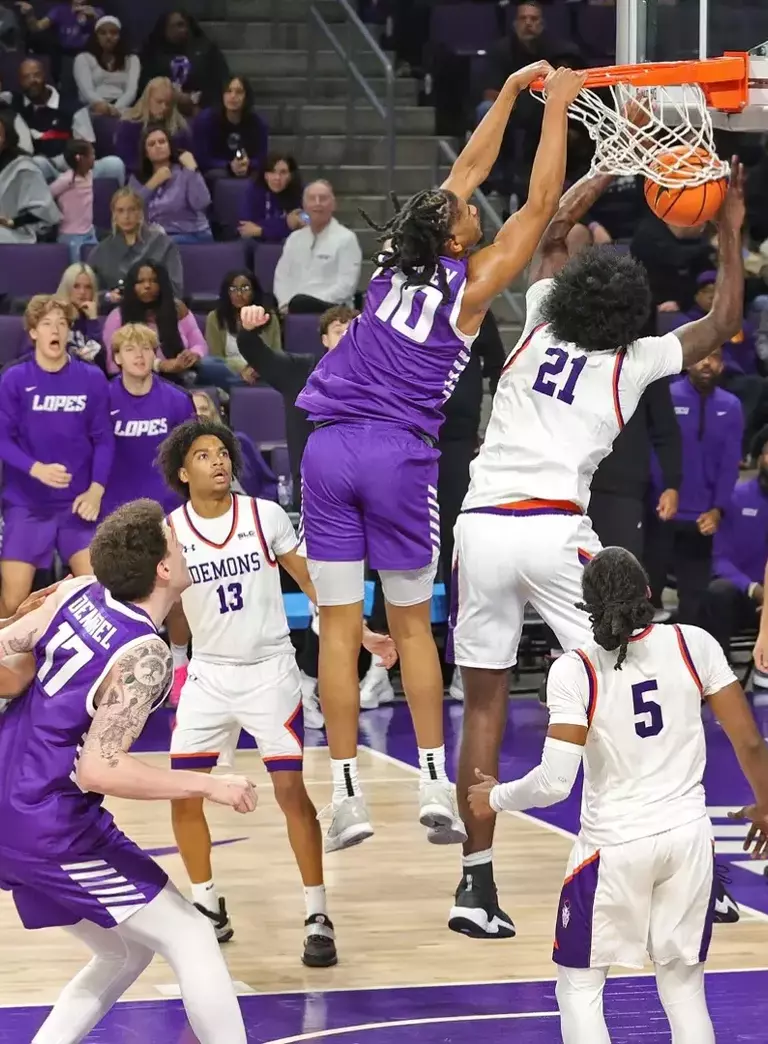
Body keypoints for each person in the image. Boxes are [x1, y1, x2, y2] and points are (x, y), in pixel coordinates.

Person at [288, 63, 586, 853]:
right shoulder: (474, 282)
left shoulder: (392, 261)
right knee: (414, 628)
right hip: (395, 454)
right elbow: (538, 203)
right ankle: (428, 783)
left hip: (327, 451)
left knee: (338, 627)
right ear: (454, 237)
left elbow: (467, 170)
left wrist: (508, 92)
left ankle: (347, 796)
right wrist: (552, 107)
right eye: (464, 213)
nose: (470, 206)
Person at [447, 161, 746, 939]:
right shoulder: (632, 360)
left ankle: (474, 888)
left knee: (481, 703)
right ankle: (686, 866)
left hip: (480, 524)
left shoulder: (542, 318)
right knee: (629, 672)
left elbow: (548, 236)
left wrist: (595, 176)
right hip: (554, 534)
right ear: (634, 315)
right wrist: (729, 226)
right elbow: (718, 327)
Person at [467, 546, 768, 1044]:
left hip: (616, 847)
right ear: (648, 593)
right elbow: (751, 741)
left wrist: (496, 798)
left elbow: (554, 783)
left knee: (580, 986)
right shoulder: (695, 645)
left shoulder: (576, 670)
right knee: (683, 987)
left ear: (587, 608)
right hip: (689, 840)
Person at [0, 498, 255, 1044]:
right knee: (191, 936)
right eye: (174, 541)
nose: (182, 544)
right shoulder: (144, 654)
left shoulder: (77, 591)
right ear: (163, 569)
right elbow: (99, 768)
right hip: (49, 825)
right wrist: (209, 783)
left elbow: (7, 649)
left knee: (126, 950)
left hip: (10, 796)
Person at [158, 418, 395, 954]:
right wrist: (168, 660)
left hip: (269, 671)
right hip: (208, 675)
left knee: (291, 792)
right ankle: (206, 902)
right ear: (182, 471)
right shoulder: (169, 531)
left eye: (222, 452)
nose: (218, 461)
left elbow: (313, 582)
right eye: (203, 455)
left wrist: (361, 634)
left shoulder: (263, 516)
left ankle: (317, 914)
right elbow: (165, 605)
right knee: (184, 793)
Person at [0, 295, 114, 618]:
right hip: (27, 504)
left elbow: (105, 439)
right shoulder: (14, 379)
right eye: (47, 323)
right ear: (33, 332)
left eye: (62, 324)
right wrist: (34, 468)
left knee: (102, 594)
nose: (56, 330)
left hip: (76, 504)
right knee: (12, 601)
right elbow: (2, 438)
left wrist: (96, 489)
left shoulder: (91, 378)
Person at [645, 348, 742, 625]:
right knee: (649, 599)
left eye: (714, 358)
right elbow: (654, 452)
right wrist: (660, 494)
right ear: (687, 363)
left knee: (694, 607)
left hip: (702, 519)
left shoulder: (731, 406)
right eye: (701, 357)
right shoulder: (668, 396)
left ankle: (690, 664)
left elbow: (729, 464)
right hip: (661, 513)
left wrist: (718, 509)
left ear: (722, 366)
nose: (707, 363)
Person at [238, 304, 359, 501]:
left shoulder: (377, 379)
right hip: (313, 491)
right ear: (325, 340)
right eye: (339, 332)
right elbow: (258, 355)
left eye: (352, 332)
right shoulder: (300, 372)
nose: (346, 337)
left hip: (363, 487)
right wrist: (248, 331)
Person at [102, 322, 196, 517]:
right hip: (115, 509)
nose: (139, 355)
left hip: (169, 507)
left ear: (154, 355)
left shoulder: (178, 400)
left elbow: (191, 455)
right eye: (130, 349)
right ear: (117, 357)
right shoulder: (102, 400)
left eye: (146, 348)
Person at [102, 260, 236, 389]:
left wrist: (193, 355)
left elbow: (199, 344)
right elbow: (112, 365)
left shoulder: (177, 308)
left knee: (214, 365)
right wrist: (160, 365)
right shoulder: (118, 316)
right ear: (132, 286)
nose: (147, 286)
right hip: (142, 377)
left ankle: (245, 396)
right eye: (140, 282)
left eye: (154, 281)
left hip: (183, 373)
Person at [700, 427, 768, 657]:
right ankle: (720, 676)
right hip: (746, 598)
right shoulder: (734, 499)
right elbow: (719, 559)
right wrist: (755, 590)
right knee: (719, 591)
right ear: (759, 457)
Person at [12, 58, 125, 184]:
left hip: (77, 169)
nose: (32, 80)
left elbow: (85, 149)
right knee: (38, 164)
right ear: (19, 82)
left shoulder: (73, 107)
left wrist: (57, 162)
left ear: (45, 75)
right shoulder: (16, 106)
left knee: (115, 164)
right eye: (26, 77)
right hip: (46, 172)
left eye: (36, 75)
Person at [273, 179, 362, 314]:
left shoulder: (346, 239)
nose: (317, 203)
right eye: (312, 199)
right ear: (304, 205)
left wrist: (312, 304)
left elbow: (347, 285)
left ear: (333, 204)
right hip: (293, 312)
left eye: (323, 198)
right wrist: (285, 304)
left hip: (332, 312)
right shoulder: (294, 239)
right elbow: (281, 277)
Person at [89, 186, 184, 302]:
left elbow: (176, 288)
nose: (126, 216)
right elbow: (89, 291)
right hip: (116, 311)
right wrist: (108, 297)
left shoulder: (163, 244)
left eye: (132, 210)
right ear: (114, 215)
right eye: (120, 211)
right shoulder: (101, 251)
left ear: (140, 212)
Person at [129, 124, 213, 244]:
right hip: (154, 237)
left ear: (170, 146)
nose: (158, 146)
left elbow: (202, 203)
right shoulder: (137, 178)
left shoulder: (185, 171)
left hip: (192, 234)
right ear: (146, 153)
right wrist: (152, 184)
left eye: (162, 142)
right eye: (152, 144)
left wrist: (192, 170)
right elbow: (130, 210)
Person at [139, 10, 229, 114]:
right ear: (165, 28)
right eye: (178, 25)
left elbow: (220, 80)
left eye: (186, 25)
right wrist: (173, 96)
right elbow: (145, 84)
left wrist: (197, 102)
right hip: (162, 110)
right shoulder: (152, 52)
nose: (184, 29)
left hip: (201, 109)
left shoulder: (206, 49)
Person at [205, 268, 282, 384]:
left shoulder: (269, 316)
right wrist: (242, 369)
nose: (239, 294)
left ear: (254, 291)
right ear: (227, 292)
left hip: (262, 375)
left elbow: (276, 353)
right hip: (228, 376)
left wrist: (256, 369)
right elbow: (216, 358)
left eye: (245, 288)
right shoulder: (215, 317)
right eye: (233, 289)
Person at [0, 107, 60, 244]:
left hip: (18, 232)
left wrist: (12, 222)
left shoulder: (24, 169)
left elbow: (44, 213)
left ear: (6, 140)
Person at [193, 75, 268, 184]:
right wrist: (228, 166)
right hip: (215, 173)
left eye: (239, 92)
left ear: (246, 97)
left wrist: (249, 164)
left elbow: (263, 159)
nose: (233, 96)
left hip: (247, 171)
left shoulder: (258, 123)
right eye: (228, 91)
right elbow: (202, 159)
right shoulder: (205, 120)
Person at [114, 77, 194, 178]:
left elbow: (187, 161)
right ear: (148, 99)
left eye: (168, 104)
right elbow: (127, 164)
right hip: (138, 180)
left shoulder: (180, 129)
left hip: (175, 180)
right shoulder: (128, 126)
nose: (164, 107)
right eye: (159, 102)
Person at [73, 15, 141, 117]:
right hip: (93, 108)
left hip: (121, 108)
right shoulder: (83, 58)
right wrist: (104, 107)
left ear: (120, 36)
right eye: (103, 33)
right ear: (96, 37)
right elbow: (86, 91)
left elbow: (131, 91)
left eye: (113, 33)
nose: (108, 37)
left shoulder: (132, 59)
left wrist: (115, 109)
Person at [239, 151, 305, 244]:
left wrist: (260, 230)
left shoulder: (302, 192)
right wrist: (286, 224)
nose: (277, 178)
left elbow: (306, 221)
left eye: (283, 172)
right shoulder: (253, 190)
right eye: (272, 172)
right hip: (259, 245)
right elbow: (244, 227)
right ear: (265, 175)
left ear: (291, 175)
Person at [50, 138, 98, 263]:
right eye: (92, 154)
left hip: (89, 232)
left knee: (96, 265)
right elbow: (48, 193)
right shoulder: (66, 180)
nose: (94, 157)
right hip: (70, 235)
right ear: (80, 158)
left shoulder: (90, 175)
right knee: (77, 270)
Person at [54, 261, 105, 368]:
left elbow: (99, 361)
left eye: (88, 287)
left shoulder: (92, 321)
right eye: (76, 286)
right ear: (67, 288)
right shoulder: (54, 318)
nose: (82, 292)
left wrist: (93, 321)